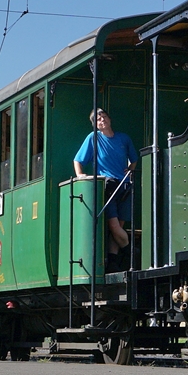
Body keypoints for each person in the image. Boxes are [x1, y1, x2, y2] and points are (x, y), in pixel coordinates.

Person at [72, 108, 139, 267]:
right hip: (108, 186)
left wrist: (130, 170)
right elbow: (77, 160)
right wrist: (80, 175)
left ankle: (113, 262)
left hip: (124, 186)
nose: (102, 120)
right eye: (98, 119)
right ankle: (132, 253)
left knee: (119, 227)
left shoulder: (124, 138)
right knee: (114, 226)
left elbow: (134, 159)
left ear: (109, 119)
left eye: (104, 116)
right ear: (95, 125)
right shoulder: (93, 138)